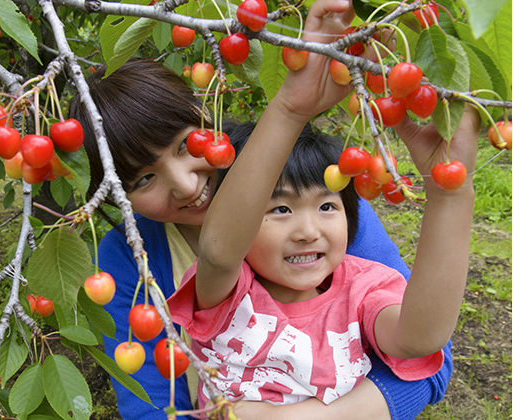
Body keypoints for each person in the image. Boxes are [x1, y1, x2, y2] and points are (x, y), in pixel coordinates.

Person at [68, 2, 454, 418]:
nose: (185, 184)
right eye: (143, 179)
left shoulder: (313, 192)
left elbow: (425, 361)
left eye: (185, 145)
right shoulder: (132, 261)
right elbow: (150, 408)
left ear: (208, 117)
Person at [166, 109, 478, 414]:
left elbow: (418, 338)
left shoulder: (363, 290)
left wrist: (450, 195)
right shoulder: (226, 298)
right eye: (281, 209)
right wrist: (290, 109)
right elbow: (219, 253)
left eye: (327, 206)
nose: (308, 231)